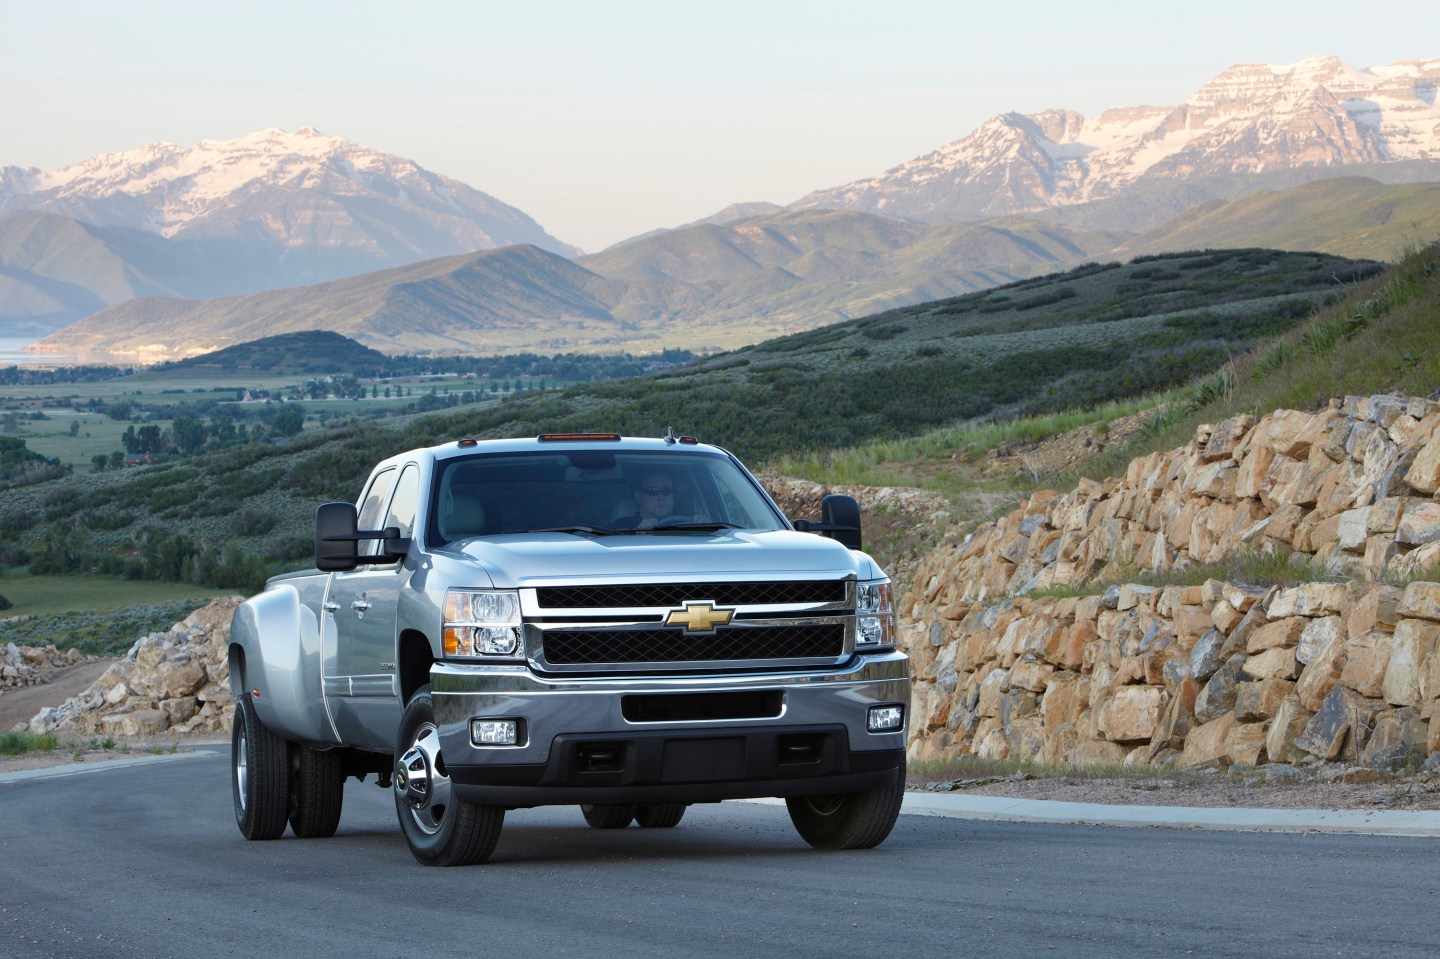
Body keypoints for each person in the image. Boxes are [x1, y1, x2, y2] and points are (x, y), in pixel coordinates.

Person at [614, 469, 704, 529]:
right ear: (638, 497)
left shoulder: (690, 524)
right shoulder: (620, 527)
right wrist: (636, 534)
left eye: (666, 491)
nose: (661, 496)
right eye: (652, 491)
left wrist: (706, 528)